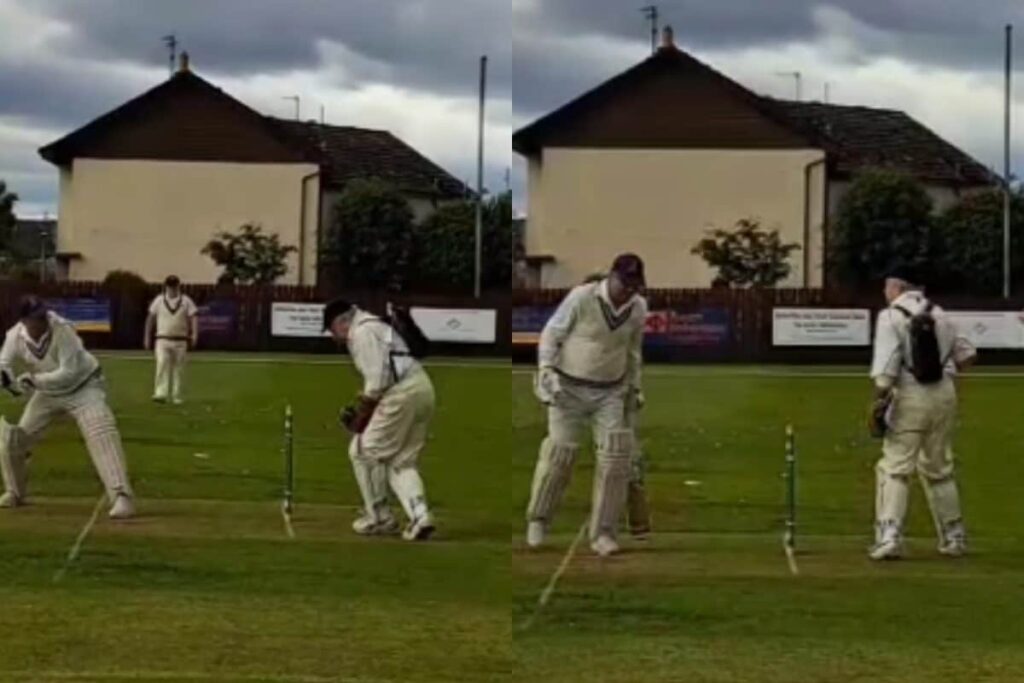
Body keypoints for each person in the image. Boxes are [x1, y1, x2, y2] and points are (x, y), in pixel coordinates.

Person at [527, 253, 648, 557]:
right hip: (567, 389)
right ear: (612, 276)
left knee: (614, 460)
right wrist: (546, 370)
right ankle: (539, 519)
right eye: (625, 282)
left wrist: (635, 387)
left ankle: (604, 534)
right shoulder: (582, 297)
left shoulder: (637, 308)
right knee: (560, 454)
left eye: (634, 284)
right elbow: (551, 334)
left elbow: (633, 352)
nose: (628, 290)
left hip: (611, 392)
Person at [868, 268, 976, 561]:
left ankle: (889, 535)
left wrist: (878, 403)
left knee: (895, 466)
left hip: (909, 395)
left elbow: (885, 373)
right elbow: (967, 355)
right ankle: (954, 536)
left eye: (887, 286)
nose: (884, 291)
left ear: (896, 287)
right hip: (944, 394)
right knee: (939, 467)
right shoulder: (941, 313)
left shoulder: (890, 317)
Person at [0, 296, 135, 519]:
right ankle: (14, 491)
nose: (43, 320)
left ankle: (121, 495)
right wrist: (8, 381)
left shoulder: (62, 330)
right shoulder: (14, 336)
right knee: (14, 439)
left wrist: (34, 380)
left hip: (83, 387)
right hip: (47, 394)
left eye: (43, 315)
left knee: (100, 429)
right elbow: (3, 363)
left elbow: (69, 372)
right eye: (36, 318)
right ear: (24, 320)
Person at [323, 299, 436, 541]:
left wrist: (361, 417)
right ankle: (420, 515)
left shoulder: (361, 332)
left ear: (342, 321)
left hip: (400, 394)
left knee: (362, 451)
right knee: (402, 461)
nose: (335, 338)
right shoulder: (375, 326)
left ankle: (380, 518)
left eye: (333, 330)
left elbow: (377, 383)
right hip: (422, 387)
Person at [145, 275, 198, 404]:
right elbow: (150, 318)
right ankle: (160, 393)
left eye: (174, 286)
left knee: (178, 368)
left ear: (178, 286)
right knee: (162, 364)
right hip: (162, 339)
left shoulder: (186, 301)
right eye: (170, 286)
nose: (172, 289)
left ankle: (176, 395)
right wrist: (147, 337)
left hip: (181, 340)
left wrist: (195, 334)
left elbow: (194, 317)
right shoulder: (159, 300)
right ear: (166, 287)